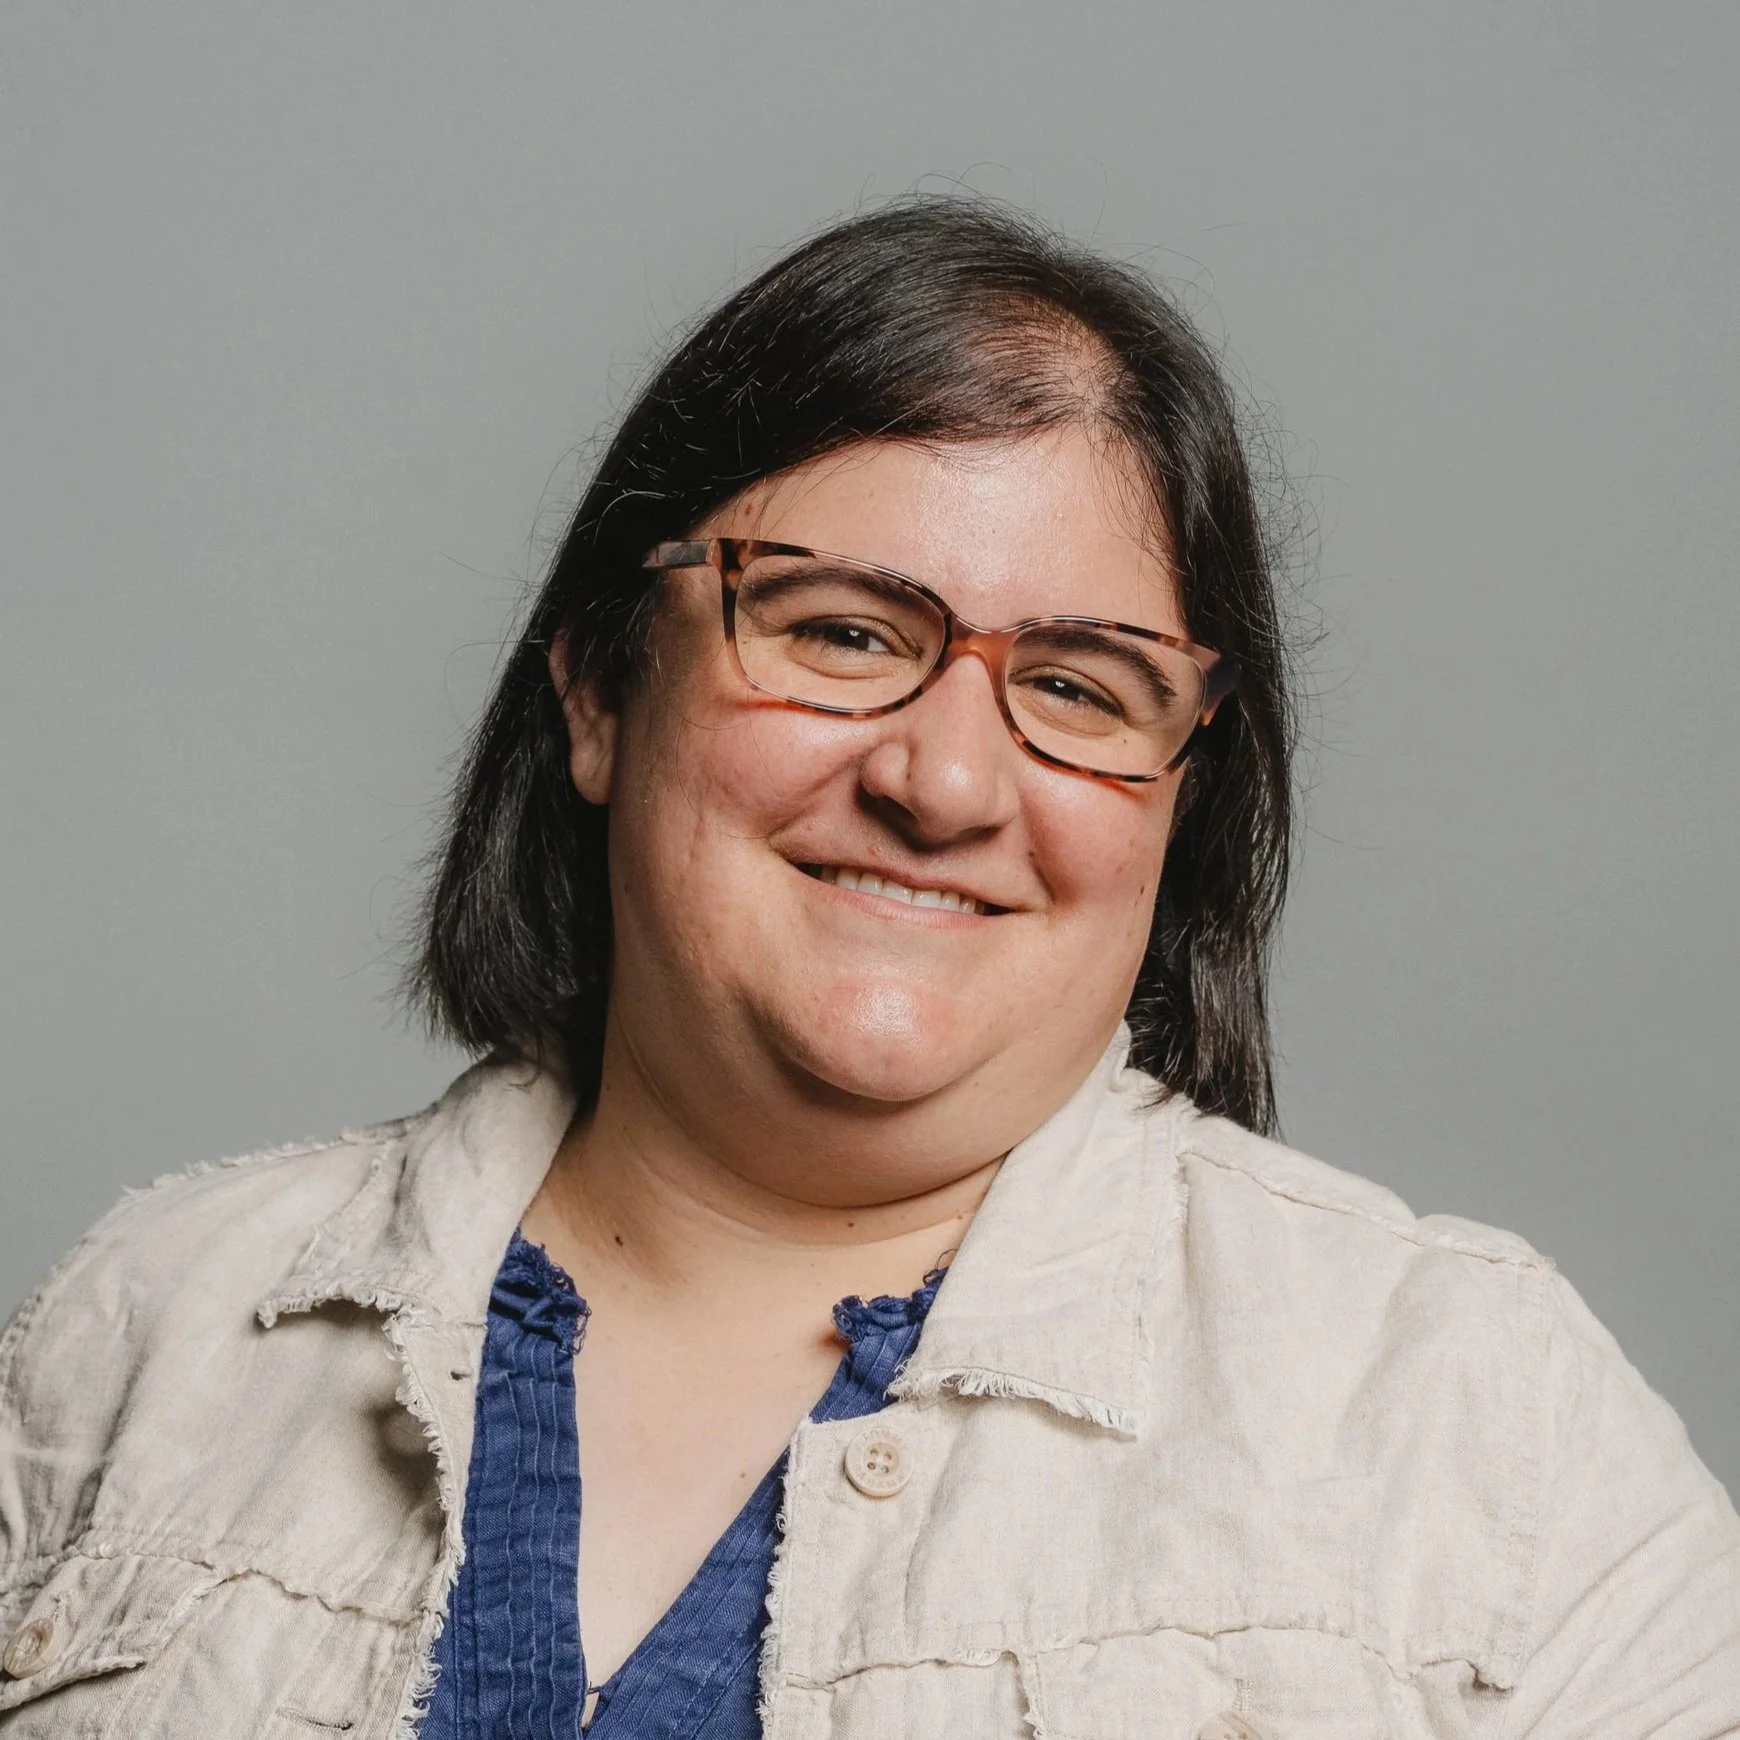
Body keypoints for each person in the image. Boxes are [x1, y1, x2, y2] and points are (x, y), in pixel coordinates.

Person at [1, 200, 1735, 1740]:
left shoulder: (1470, 1418)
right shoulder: (152, 1330)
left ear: (1185, 799)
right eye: (841, 630)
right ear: (602, 687)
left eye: (1078, 686)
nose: (945, 780)